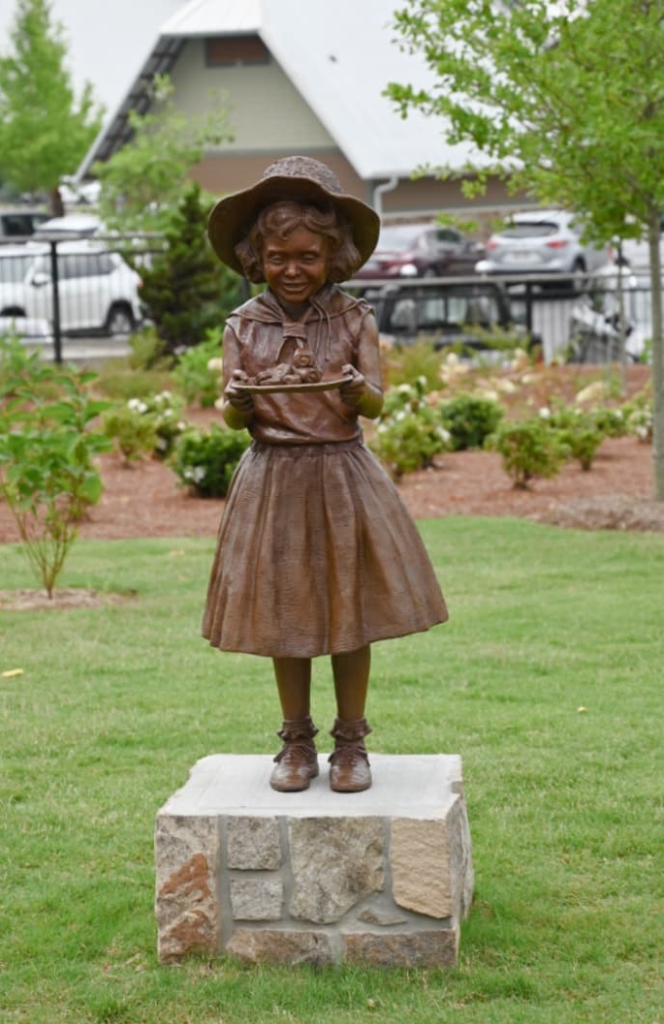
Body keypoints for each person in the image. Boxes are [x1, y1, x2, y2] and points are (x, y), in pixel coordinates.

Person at [202, 156, 448, 794]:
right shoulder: (243, 326)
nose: (292, 270)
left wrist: (352, 388)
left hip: (341, 475)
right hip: (274, 478)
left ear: (332, 255)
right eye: (279, 257)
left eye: (308, 256)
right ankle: (295, 740)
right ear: (257, 257)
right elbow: (231, 416)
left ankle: (351, 741)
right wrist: (238, 402)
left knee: (348, 611)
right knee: (287, 612)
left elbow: (377, 401)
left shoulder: (354, 317)